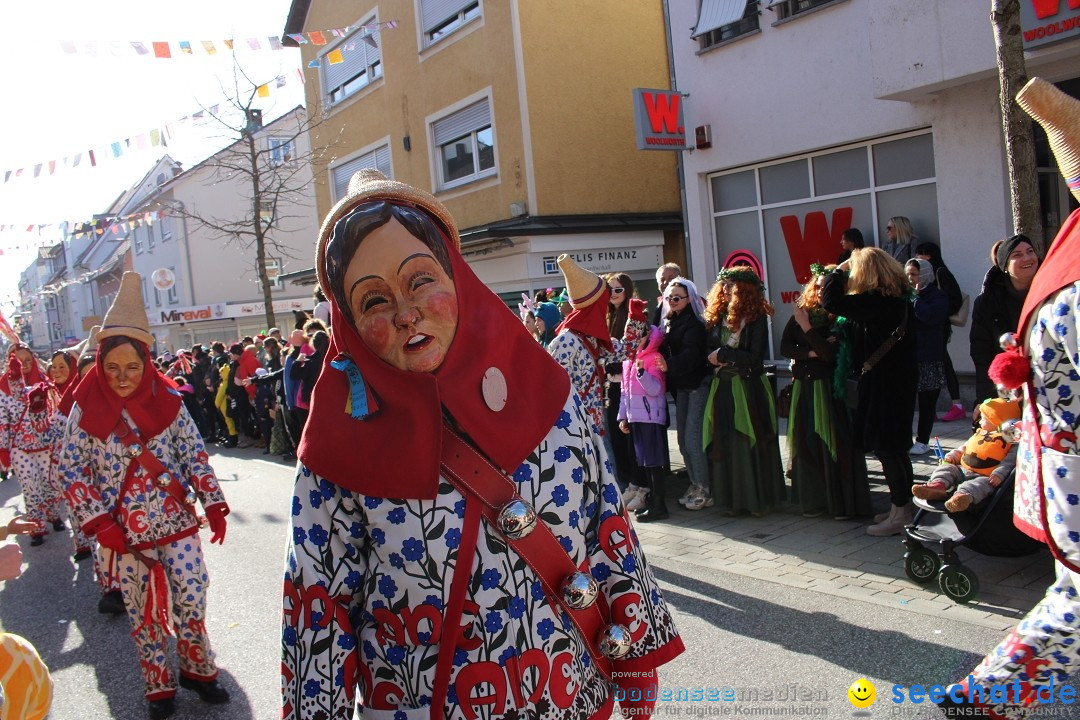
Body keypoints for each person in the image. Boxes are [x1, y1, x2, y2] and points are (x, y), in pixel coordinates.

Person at [281, 170, 683, 719]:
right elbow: (316, 616)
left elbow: (606, 520)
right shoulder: (334, 453)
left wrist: (634, 651)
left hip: (568, 692)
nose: (405, 313)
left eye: (420, 280)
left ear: (458, 276)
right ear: (348, 323)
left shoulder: (549, 394)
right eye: (373, 300)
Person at [937, 79, 1080, 718]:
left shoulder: (1065, 268)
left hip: (1061, 471)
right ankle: (982, 697)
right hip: (1069, 472)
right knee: (1074, 607)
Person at [59, 271, 231, 720]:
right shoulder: (84, 409)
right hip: (123, 533)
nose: (121, 377)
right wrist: (98, 524)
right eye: (112, 367)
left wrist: (212, 502)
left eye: (132, 367)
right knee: (143, 610)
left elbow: (194, 453)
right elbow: (70, 468)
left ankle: (197, 667)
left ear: (147, 364)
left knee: (192, 594)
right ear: (99, 363)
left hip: (176, 522)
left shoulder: (169, 400)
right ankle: (158, 686)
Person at [821, 248, 917, 536]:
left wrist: (838, 270)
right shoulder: (898, 301)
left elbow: (830, 300)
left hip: (884, 383)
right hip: (899, 380)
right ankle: (903, 509)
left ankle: (901, 513)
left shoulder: (876, 301)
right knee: (897, 448)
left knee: (887, 448)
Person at [780, 266, 871, 520]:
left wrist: (806, 329)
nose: (820, 290)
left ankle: (840, 504)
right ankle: (816, 500)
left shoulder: (840, 319)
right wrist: (811, 352)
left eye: (825, 286)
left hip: (830, 389)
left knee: (834, 444)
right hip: (805, 387)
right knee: (807, 442)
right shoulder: (804, 311)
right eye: (817, 286)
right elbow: (785, 346)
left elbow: (831, 356)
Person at [703, 267, 786, 517]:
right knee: (727, 442)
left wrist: (724, 355)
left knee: (749, 442)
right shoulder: (717, 317)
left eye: (731, 285)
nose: (726, 289)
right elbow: (708, 350)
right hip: (724, 386)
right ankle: (734, 502)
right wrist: (718, 357)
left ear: (744, 290)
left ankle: (757, 501)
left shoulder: (756, 318)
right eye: (724, 285)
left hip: (749, 388)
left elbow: (753, 357)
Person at [913, 398, 1019, 513]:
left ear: (997, 421)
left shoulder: (1010, 441)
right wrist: (952, 456)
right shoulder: (979, 433)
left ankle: (961, 498)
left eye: (984, 419)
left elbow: (1009, 461)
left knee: (977, 487)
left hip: (986, 477)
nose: (979, 422)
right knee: (946, 468)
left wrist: (1000, 474)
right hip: (962, 469)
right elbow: (963, 448)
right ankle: (938, 485)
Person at [969, 233, 1040, 406]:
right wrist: (986, 399)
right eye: (1017, 255)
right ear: (1005, 266)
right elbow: (982, 353)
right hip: (1009, 384)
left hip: (1047, 379)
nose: (1027, 258)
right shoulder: (987, 302)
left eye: (1030, 252)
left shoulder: (1053, 293)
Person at [661, 277, 711, 510]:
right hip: (682, 386)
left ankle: (704, 488)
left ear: (689, 298)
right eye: (669, 297)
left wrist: (667, 364)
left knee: (692, 440)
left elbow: (692, 356)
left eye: (677, 297)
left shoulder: (694, 324)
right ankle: (695, 483)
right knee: (682, 441)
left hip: (697, 384)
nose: (672, 301)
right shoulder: (671, 321)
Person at [618, 305, 667, 519]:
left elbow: (656, 388)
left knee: (654, 463)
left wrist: (641, 373)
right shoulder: (629, 359)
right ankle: (651, 500)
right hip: (636, 417)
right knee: (644, 463)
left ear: (646, 333)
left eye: (636, 335)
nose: (632, 341)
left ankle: (660, 505)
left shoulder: (653, 357)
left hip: (650, 418)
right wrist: (623, 416)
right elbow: (623, 391)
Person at [913, 241, 967, 422]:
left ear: (930, 255)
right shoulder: (921, 277)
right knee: (934, 365)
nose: (918, 258)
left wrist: (940, 314)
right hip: (927, 327)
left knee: (943, 362)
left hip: (938, 326)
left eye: (922, 254)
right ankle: (932, 408)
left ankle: (957, 404)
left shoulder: (940, 272)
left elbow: (955, 298)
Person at [905, 258, 949, 456]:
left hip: (929, 357)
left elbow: (929, 316)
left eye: (913, 274)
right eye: (907, 274)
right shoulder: (905, 297)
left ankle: (923, 440)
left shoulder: (937, 296)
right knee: (905, 401)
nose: (910, 278)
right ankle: (905, 439)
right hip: (909, 356)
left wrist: (915, 298)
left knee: (927, 403)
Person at [604, 273, 640, 492]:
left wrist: (610, 364)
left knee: (627, 437)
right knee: (616, 438)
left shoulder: (633, 317)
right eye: (610, 290)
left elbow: (630, 352)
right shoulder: (608, 316)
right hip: (611, 386)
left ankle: (636, 484)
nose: (614, 294)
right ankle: (625, 482)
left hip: (628, 385)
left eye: (618, 290)